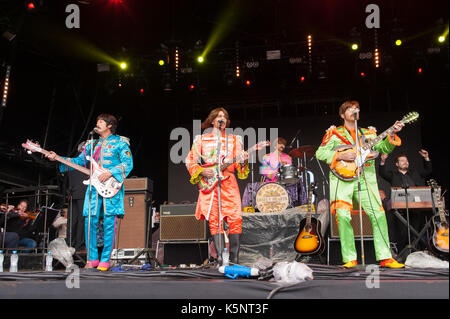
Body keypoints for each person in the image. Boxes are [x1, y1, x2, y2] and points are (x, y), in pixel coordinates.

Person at [315, 100, 405, 268]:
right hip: (342, 181)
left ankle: (385, 257)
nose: (354, 110)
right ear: (342, 115)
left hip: (365, 179)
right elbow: (320, 152)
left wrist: (392, 134)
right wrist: (340, 156)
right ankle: (350, 258)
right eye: (350, 109)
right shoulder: (334, 133)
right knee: (342, 216)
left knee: (378, 215)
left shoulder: (369, 133)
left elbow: (384, 148)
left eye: (356, 108)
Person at [46, 114, 133, 271]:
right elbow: (79, 161)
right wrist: (57, 158)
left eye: (101, 122)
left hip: (111, 187)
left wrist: (111, 172)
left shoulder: (120, 143)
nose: (97, 124)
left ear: (110, 126)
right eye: (97, 122)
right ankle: (92, 258)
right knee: (89, 221)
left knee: (108, 222)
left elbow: (128, 163)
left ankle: (105, 260)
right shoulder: (91, 144)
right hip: (93, 187)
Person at [185, 107, 249, 264]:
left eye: (225, 117)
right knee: (215, 219)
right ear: (212, 120)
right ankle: (220, 259)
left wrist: (244, 160)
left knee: (235, 218)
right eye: (219, 116)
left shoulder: (234, 140)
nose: (222, 118)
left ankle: (234, 260)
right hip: (211, 184)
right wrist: (201, 171)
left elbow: (240, 166)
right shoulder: (201, 139)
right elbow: (189, 160)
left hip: (229, 182)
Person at [379, 150, 433, 252]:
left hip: (416, 208)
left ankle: (417, 252)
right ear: (397, 164)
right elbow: (382, 173)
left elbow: (428, 171)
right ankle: (402, 253)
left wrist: (426, 158)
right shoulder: (393, 175)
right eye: (402, 161)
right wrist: (382, 161)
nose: (405, 162)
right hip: (400, 210)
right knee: (402, 232)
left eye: (407, 161)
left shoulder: (415, 173)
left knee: (416, 231)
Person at [64, 141, 88, 251]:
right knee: (82, 220)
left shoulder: (71, 161)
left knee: (72, 221)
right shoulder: (88, 161)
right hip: (84, 192)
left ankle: (70, 245)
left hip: (73, 192)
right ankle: (79, 246)